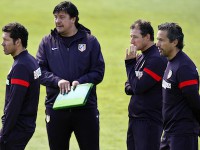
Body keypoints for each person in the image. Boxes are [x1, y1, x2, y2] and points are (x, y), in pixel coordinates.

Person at [36, 1, 105, 150]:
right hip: (56, 108)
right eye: (55, 17)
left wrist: (80, 82)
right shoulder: (47, 42)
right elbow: (39, 72)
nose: (57, 21)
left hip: (85, 108)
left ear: (73, 19)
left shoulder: (90, 41)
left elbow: (98, 72)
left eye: (62, 17)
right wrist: (57, 81)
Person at [124, 19, 167, 150]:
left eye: (135, 37)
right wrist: (135, 83)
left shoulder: (156, 59)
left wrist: (129, 64)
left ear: (147, 37)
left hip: (148, 121)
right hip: (136, 118)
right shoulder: (142, 57)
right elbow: (128, 86)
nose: (132, 41)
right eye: (131, 37)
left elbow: (137, 86)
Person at [156, 22, 200, 150]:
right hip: (169, 132)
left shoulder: (184, 68)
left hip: (183, 134)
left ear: (174, 42)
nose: (157, 44)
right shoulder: (171, 62)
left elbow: (195, 102)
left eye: (161, 40)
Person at [0, 22, 41, 150]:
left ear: (18, 42)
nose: (2, 43)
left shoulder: (21, 67)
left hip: (16, 128)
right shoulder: (30, 60)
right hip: (24, 125)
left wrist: (4, 134)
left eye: (6, 40)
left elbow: (15, 104)